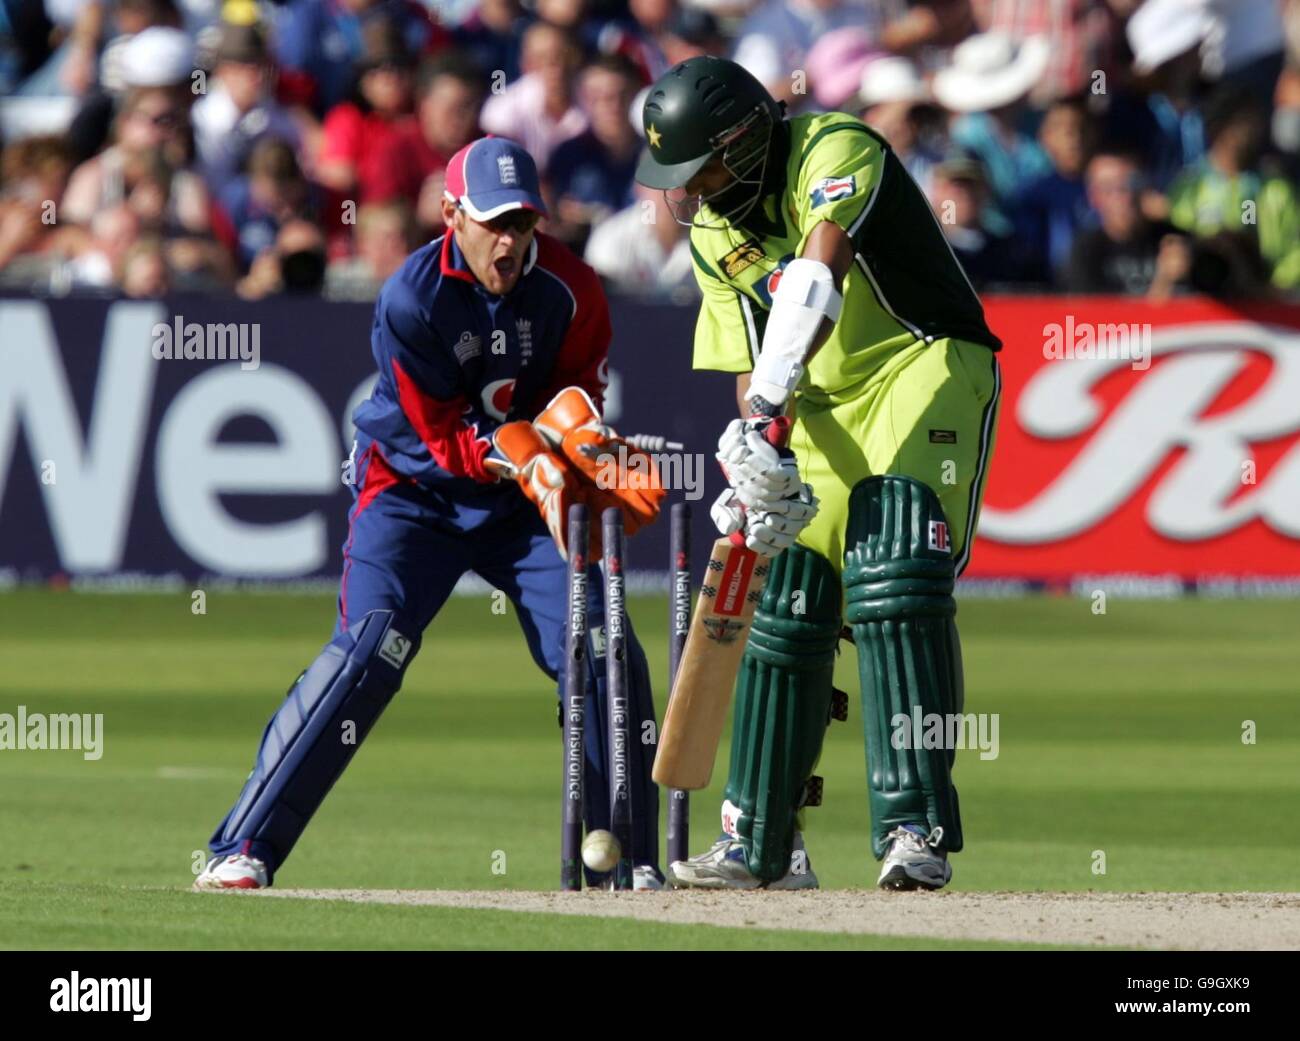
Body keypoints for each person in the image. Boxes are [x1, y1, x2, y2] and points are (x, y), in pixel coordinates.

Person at [195, 137, 667, 891]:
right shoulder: (413, 297)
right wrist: (528, 453)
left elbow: (579, 391)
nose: (510, 241)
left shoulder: (573, 288)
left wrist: (586, 443)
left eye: (523, 222)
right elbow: (443, 439)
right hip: (413, 495)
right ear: (452, 214)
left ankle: (632, 858)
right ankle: (243, 845)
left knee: (603, 644)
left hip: (521, 506)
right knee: (370, 649)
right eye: (493, 222)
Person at [635, 56, 1001, 892]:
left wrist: (767, 403)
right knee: (788, 593)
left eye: (702, 169)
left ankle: (915, 825)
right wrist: (756, 445)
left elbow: (814, 278)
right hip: (820, 398)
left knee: (895, 561)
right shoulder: (709, 231)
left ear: (748, 139)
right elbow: (742, 350)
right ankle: (760, 841)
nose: (690, 194)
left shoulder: (836, 149)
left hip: (923, 361)